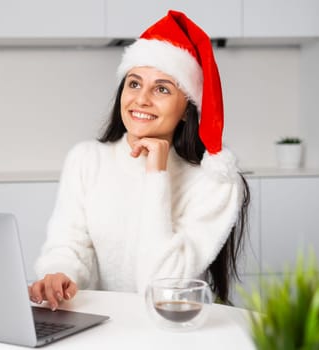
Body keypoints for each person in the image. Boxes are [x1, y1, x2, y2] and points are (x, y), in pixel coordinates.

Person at [29, 10, 250, 310]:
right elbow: (69, 246)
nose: (142, 99)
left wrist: (156, 173)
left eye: (161, 88)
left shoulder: (215, 182)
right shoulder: (86, 160)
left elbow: (160, 287)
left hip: (175, 327)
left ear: (187, 108)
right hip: (103, 326)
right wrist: (59, 276)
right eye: (134, 83)